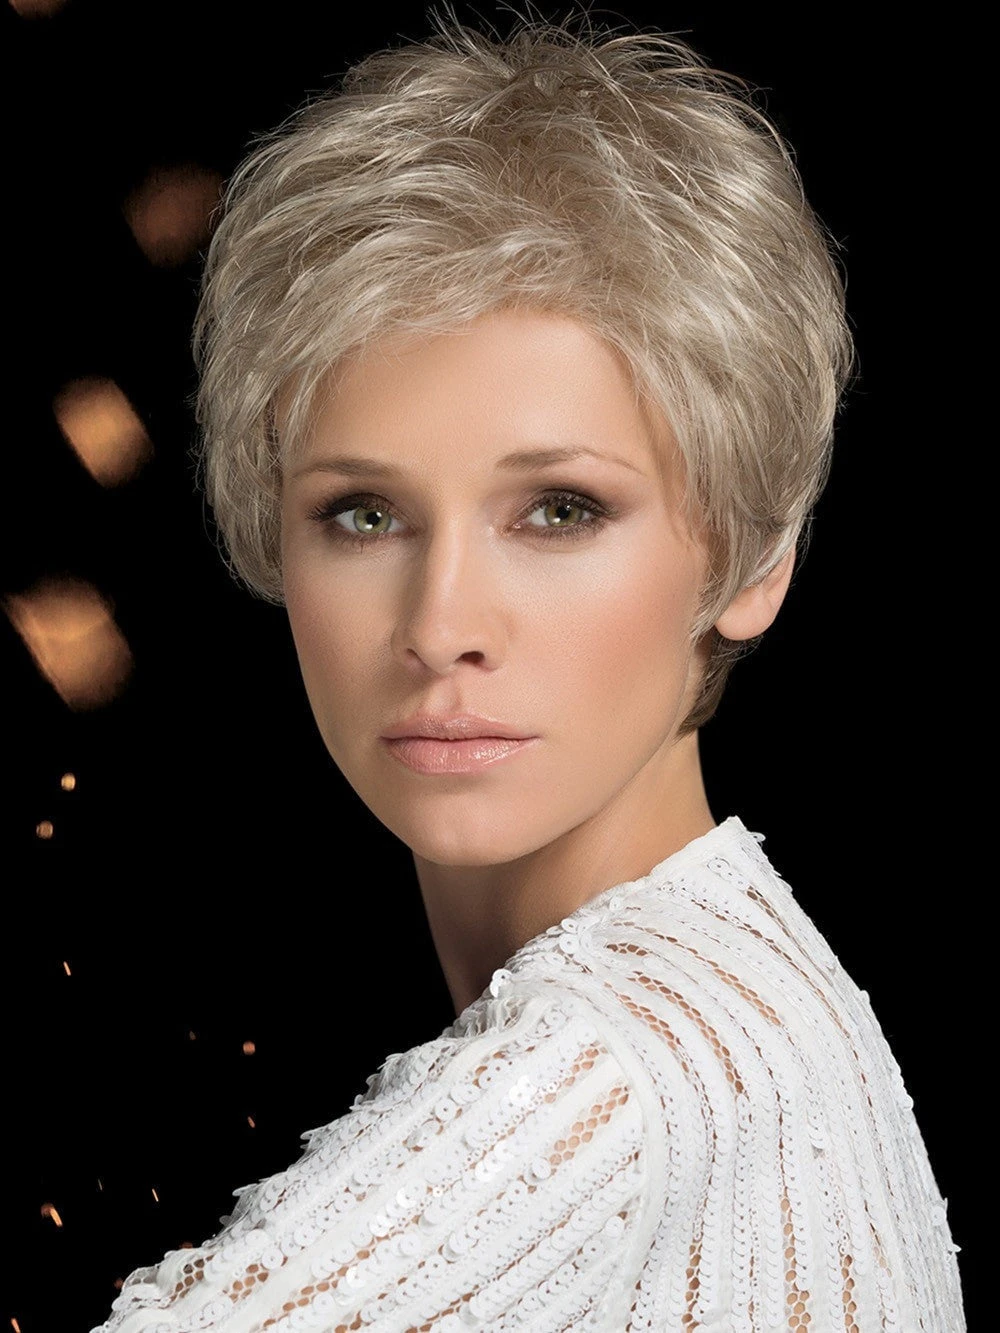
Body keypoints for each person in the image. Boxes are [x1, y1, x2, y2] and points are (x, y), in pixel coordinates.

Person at [92, 9, 965, 1331]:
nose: (441, 623)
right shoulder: (757, 1005)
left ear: (752, 556)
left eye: (559, 509)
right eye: (363, 514)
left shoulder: (604, 1075)